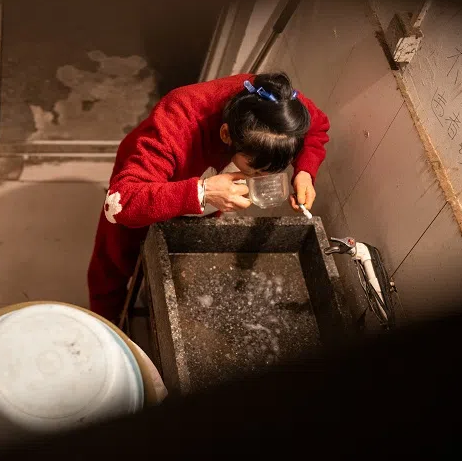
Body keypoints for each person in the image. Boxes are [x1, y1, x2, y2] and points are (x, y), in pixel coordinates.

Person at [87, 72, 330, 323]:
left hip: (206, 182)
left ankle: (148, 291)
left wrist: (304, 171)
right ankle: (103, 323)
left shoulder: (276, 106)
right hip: (147, 180)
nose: (258, 179)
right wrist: (202, 192)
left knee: (177, 245)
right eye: (255, 171)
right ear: (226, 135)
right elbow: (120, 203)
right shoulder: (179, 118)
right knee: (116, 256)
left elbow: (317, 127)